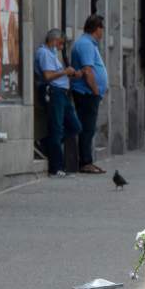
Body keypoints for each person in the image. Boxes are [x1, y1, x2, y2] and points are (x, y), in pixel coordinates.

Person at [35, 29, 81, 178]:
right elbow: (48, 76)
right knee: (57, 129)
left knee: (75, 126)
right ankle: (56, 168)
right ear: (54, 40)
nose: (62, 47)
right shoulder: (44, 53)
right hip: (55, 92)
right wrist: (65, 72)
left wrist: (72, 75)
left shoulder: (52, 54)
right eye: (61, 43)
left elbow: (58, 74)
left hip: (62, 93)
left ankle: (45, 143)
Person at [70, 14, 108, 174]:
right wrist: (96, 90)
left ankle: (88, 161)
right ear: (97, 28)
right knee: (87, 128)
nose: (103, 32)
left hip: (89, 93)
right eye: (102, 28)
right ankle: (85, 162)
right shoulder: (85, 44)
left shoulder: (89, 44)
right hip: (86, 93)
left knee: (89, 128)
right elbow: (87, 70)